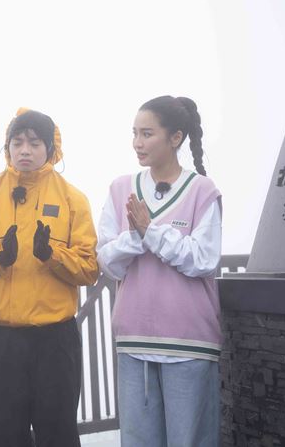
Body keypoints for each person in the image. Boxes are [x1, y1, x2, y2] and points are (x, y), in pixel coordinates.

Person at [0, 108, 98, 447]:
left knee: (58, 433)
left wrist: (51, 255)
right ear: (7, 148)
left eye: (34, 143)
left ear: (51, 148)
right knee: (6, 434)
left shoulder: (73, 199)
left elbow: (90, 269)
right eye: (17, 142)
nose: (25, 151)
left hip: (55, 339)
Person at [97, 96, 222, 447]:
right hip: (133, 341)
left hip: (189, 343)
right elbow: (106, 260)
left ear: (175, 137)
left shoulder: (202, 190)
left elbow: (204, 259)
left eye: (147, 134)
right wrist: (137, 237)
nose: (137, 142)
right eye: (135, 133)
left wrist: (150, 231)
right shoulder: (121, 188)